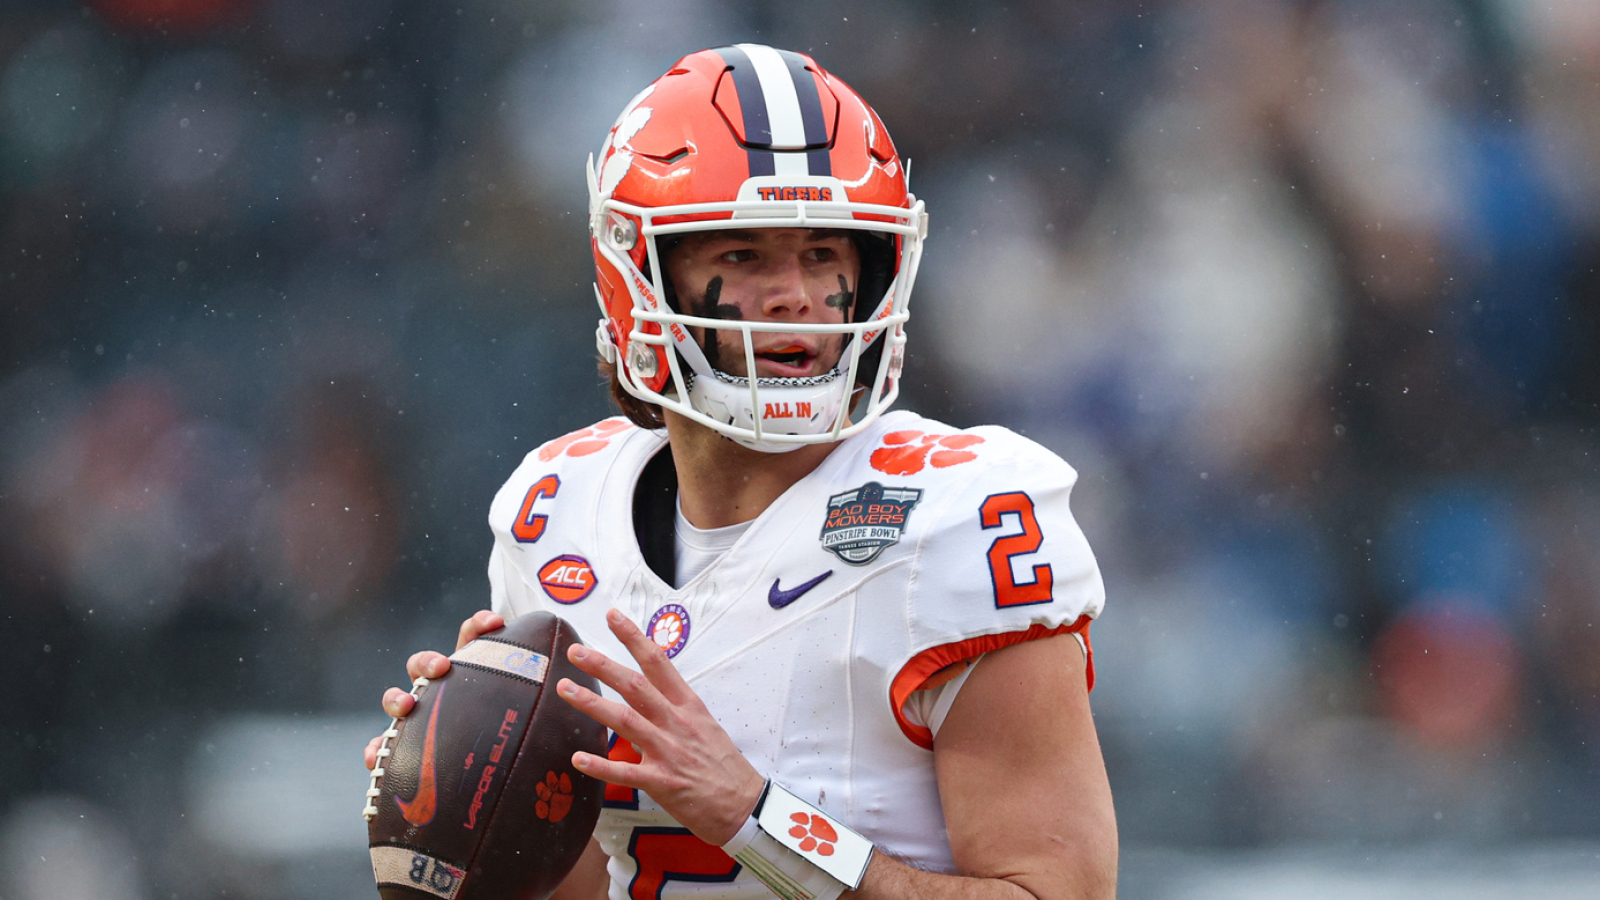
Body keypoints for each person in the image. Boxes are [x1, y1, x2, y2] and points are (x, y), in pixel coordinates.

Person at [365, 44, 1116, 900]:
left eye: (824, 253)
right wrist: (464, 821)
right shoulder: (556, 511)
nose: (794, 293)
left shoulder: (961, 515)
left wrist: (758, 819)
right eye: (743, 255)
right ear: (640, 275)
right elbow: (596, 881)